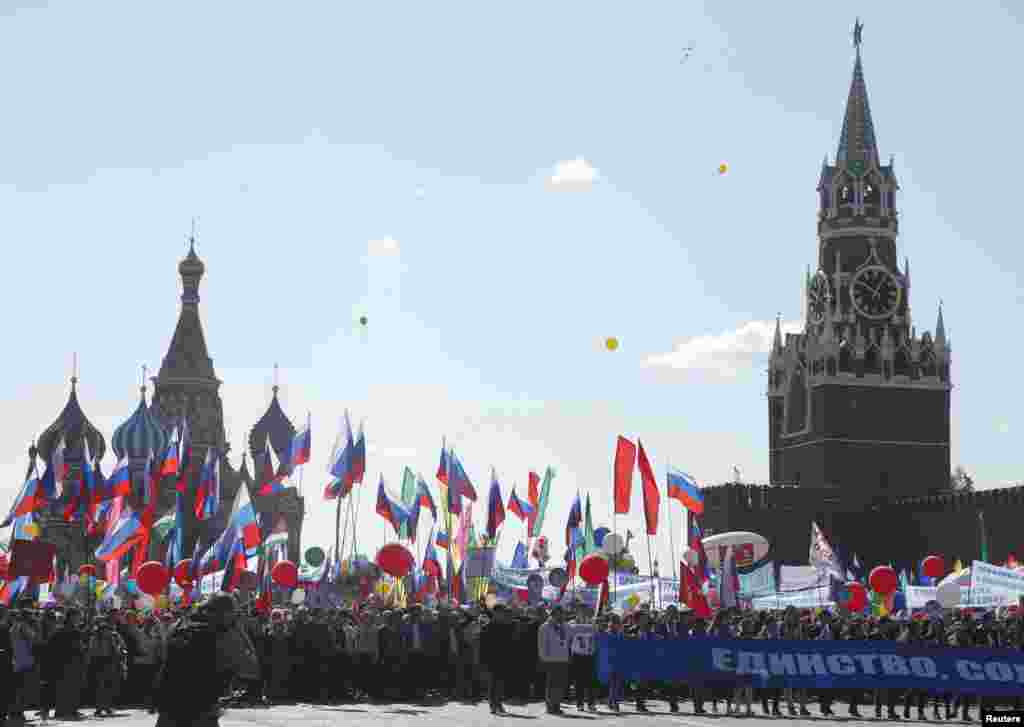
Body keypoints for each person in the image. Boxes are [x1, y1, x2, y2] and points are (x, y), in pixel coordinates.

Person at [153, 593, 257, 727]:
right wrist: (239, 629)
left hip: (170, 708)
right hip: (201, 711)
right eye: (233, 614)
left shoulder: (178, 627)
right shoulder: (221, 636)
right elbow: (252, 669)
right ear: (225, 614)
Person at [480, 604, 516, 715]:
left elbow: (509, 644)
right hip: (492, 659)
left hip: (503, 658)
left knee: (500, 683)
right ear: (495, 613)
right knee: (493, 683)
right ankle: (494, 705)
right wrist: (483, 661)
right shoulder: (487, 627)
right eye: (501, 612)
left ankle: (498, 704)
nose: (503, 614)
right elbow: (483, 646)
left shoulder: (506, 626)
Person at [537, 605, 570, 715]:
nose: (563, 615)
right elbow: (541, 645)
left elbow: (568, 641)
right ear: (554, 614)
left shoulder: (565, 626)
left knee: (560, 684)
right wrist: (544, 658)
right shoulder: (545, 627)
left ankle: (557, 705)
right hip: (551, 660)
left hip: (563, 659)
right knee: (552, 684)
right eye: (561, 613)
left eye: (563, 613)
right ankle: (550, 706)